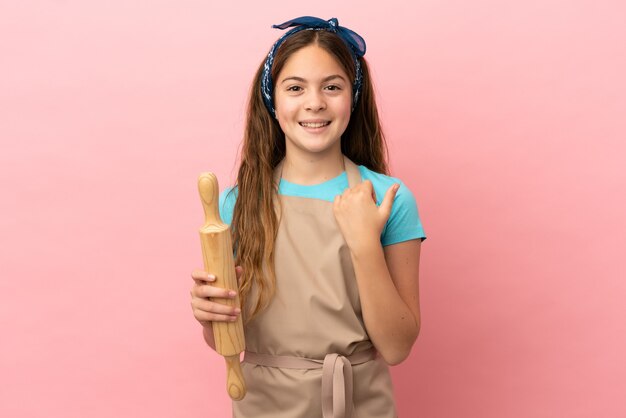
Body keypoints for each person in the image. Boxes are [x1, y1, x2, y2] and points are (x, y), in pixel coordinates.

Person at [190, 16, 427, 418]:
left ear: (353, 97)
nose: (314, 102)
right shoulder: (238, 203)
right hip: (263, 405)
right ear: (272, 99)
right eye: (295, 88)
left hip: (360, 403)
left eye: (331, 87)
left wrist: (365, 242)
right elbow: (226, 340)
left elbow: (397, 347)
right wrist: (210, 315)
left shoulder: (389, 199)